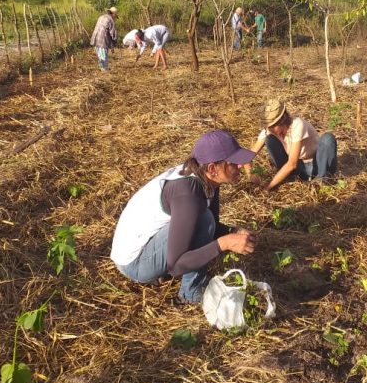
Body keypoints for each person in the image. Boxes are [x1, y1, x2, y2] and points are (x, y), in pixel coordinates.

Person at [110, 130, 257, 303]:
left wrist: (234, 231)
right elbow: (176, 265)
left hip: (148, 247)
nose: (241, 166)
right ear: (213, 168)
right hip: (134, 263)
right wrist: (224, 243)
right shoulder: (187, 194)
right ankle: (190, 293)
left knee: (206, 220)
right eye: (234, 162)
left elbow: (213, 227)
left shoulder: (207, 179)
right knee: (204, 219)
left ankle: (170, 276)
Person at [245, 99, 338, 191]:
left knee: (327, 139)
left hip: (316, 165)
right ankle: (289, 177)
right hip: (299, 167)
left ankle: (322, 179)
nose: (270, 130)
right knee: (270, 140)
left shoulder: (297, 125)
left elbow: (292, 163)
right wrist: (251, 175)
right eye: (268, 127)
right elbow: (246, 157)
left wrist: (269, 186)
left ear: (282, 120)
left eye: (273, 126)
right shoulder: (269, 131)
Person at [90, 7, 118, 71]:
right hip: (102, 40)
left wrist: (112, 46)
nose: (115, 18)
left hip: (95, 38)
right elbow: (113, 34)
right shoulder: (110, 20)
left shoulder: (101, 17)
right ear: (113, 14)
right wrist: (114, 43)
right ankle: (104, 69)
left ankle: (102, 68)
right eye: (115, 16)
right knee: (103, 55)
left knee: (100, 55)